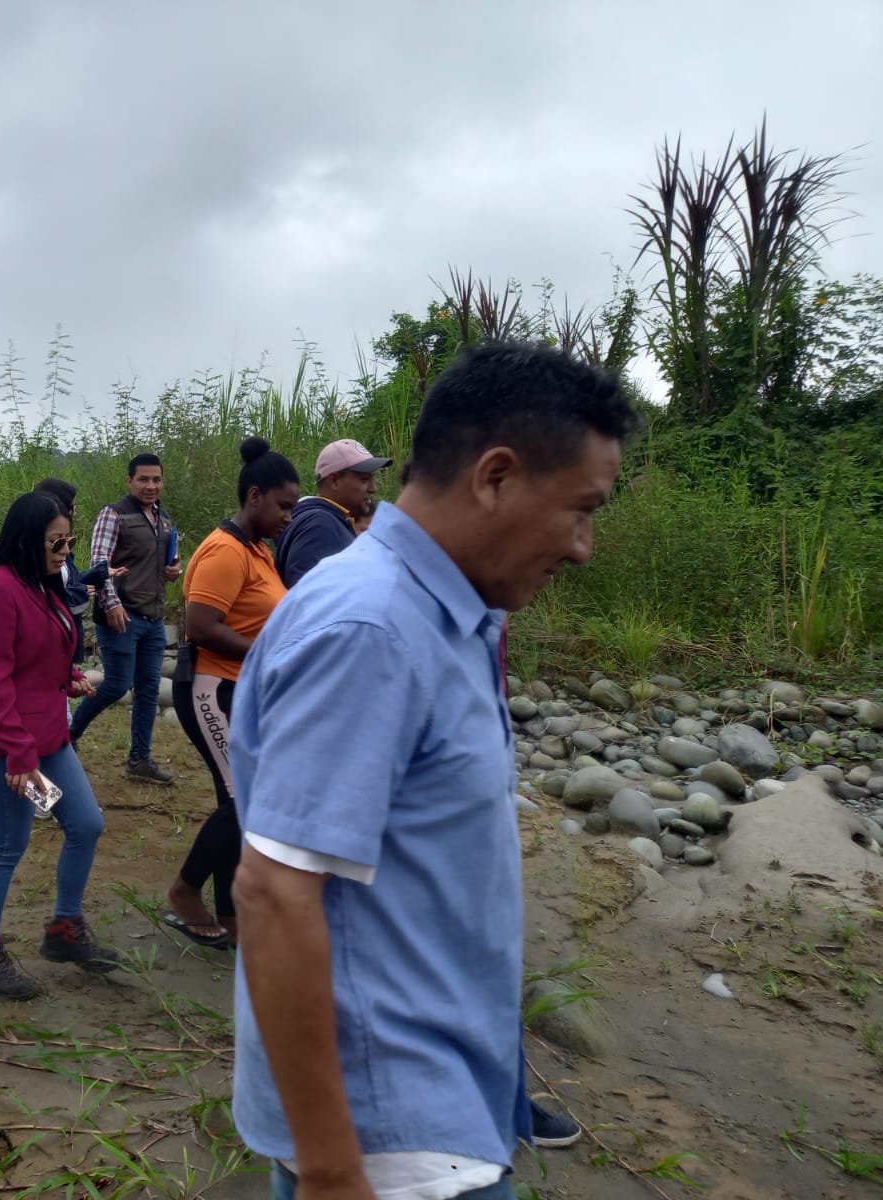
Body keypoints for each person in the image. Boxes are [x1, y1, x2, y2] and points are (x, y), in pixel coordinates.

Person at [230, 342, 637, 1199]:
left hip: (432, 1097)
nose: (584, 546)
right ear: (496, 477)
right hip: (392, 1143)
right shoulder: (372, 630)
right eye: (581, 510)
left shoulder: (439, 613)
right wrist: (332, 1172)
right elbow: (273, 892)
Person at [0, 491, 122, 1000]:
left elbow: (41, 651)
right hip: (10, 753)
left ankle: (64, 929)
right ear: (27, 540)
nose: (66, 551)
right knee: (8, 844)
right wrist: (19, 756)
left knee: (85, 824)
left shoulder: (41, 585)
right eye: (57, 542)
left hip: (49, 742)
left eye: (69, 541)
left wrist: (65, 676)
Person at [163, 439, 298, 950]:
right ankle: (184, 891)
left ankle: (230, 917)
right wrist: (269, 655)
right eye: (283, 506)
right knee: (247, 800)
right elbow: (201, 626)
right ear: (254, 496)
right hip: (211, 689)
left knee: (239, 802)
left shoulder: (257, 550)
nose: (288, 517)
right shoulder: (224, 551)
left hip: (241, 691)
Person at [68, 453, 181, 784]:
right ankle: (68, 736)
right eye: (143, 479)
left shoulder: (163, 518)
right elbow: (99, 563)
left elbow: (164, 563)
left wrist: (174, 570)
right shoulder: (114, 514)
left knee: (148, 689)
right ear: (129, 481)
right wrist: (112, 603)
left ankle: (139, 760)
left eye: (156, 479)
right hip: (121, 615)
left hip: (153, 617)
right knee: (117, 684)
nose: (151, 486)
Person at [271, 438, 390, 588]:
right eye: (364, 479)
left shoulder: (329, 522)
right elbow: (310, 595)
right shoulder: (319, 525)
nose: (373, 489)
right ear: (334, 481)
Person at [33, 477, 125, 664]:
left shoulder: (61, 548)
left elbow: (69, 580)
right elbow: (44, 597)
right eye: (72, 506)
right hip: (50, 645)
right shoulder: (38, 554)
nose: (75, 511)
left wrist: (101, 572)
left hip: (66, 638)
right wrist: (81, 591)